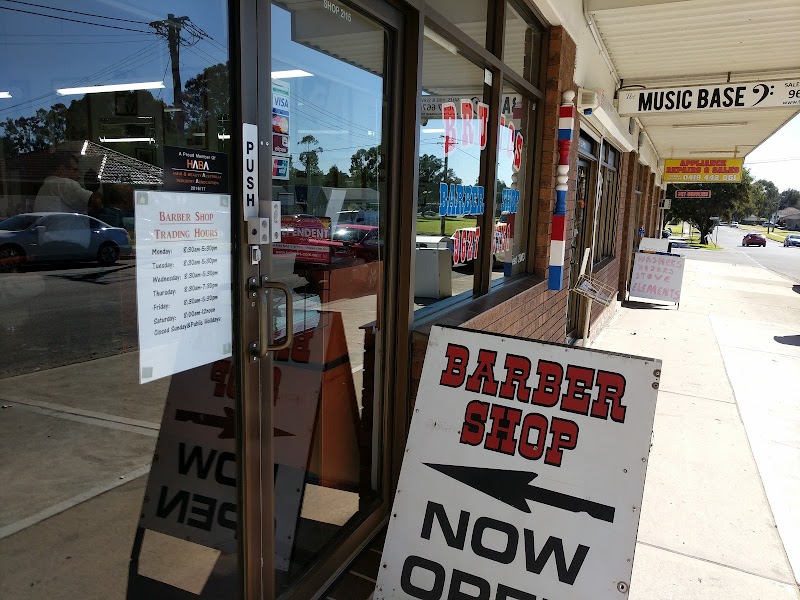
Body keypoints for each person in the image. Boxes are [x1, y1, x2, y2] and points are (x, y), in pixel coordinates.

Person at [34, 150, 102, 213]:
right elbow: (96, 201)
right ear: (62, 170)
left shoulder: (45, 188)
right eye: (75, 170)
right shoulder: (64, 184)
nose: (79, 176)